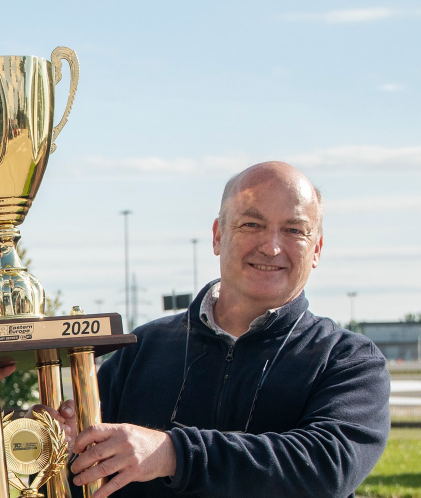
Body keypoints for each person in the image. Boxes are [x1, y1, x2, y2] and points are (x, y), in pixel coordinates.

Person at [47, 162, 390, 498]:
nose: (271, 246)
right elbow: (83, 481)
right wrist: (58, 446)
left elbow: (326, 469)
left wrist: (173, 453)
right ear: (217, 236)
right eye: (252, 224)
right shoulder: (139, 351)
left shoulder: (349, 361)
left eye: (294, 230)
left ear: (316, 249)